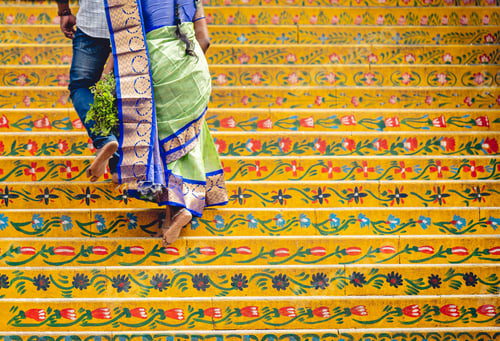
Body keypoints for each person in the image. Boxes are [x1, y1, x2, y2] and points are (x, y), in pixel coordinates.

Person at [104, 0, 228, 246]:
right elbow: (205, 40)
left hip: (159, 64)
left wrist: (107, 78)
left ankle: (177, 209)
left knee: (163, 142)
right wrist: (186, 70)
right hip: (193, 67)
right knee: (189, 137)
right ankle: (182, 210)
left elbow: (125, 45)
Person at [56, 0, 120, 183]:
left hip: (93, 22)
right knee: (119, 92)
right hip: (132, 24)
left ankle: (104, 138)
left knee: (82, 86)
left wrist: (64, 10)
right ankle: (119, 168)